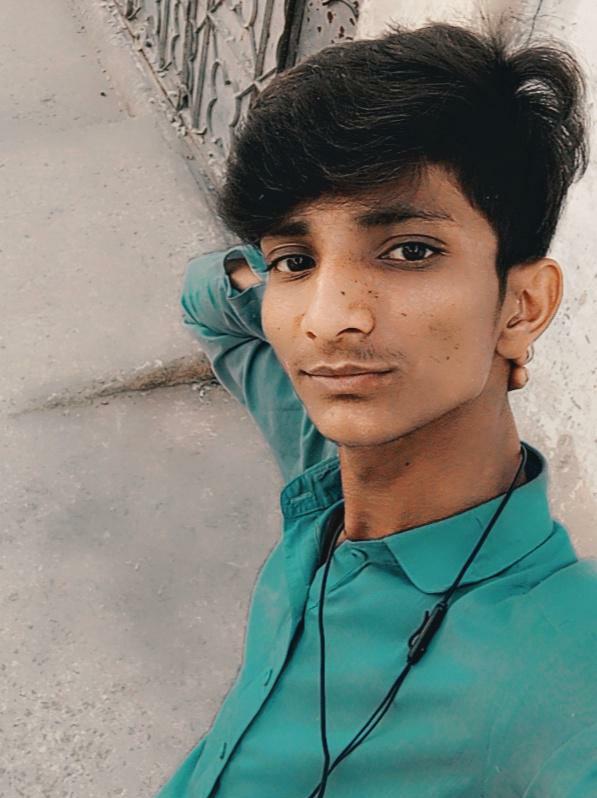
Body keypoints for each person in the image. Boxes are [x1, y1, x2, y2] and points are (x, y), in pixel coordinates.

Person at [155, 20, 597, 798]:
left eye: (409, 251)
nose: (329, 319)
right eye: (296, 260)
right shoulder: (325, 472)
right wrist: (265, 273)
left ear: (521, 306)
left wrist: (295, 268)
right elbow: (203, 300)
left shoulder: (560, 662)